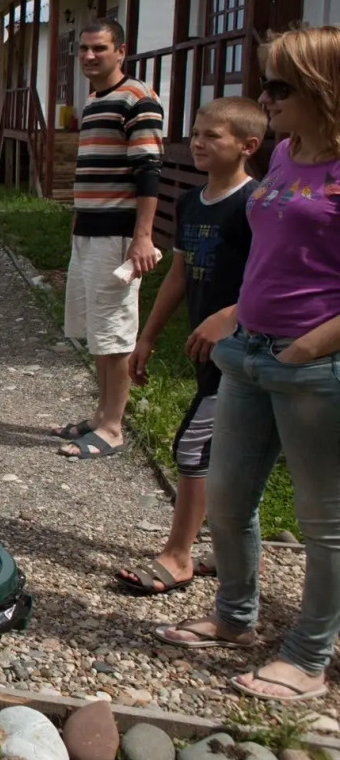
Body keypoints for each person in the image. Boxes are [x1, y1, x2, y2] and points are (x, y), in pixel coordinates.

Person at [155, 25, 340, 703]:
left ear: (325, 89)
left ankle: (308, 657)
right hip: (249, 352)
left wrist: (310, 346)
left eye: (280, 86)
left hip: (312, 369)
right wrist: (236, 315)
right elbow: (269, 257)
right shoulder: (287, 157)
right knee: (228, 499)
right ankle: (235, 617)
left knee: (325, 523)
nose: (266, 98)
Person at [117, 97, 263, 595]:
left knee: (193, 449)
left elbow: (274, 280)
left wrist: (236, 315)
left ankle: (179, 556)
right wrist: (148, 336)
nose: (199, 142)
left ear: (248, 146)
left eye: (212, 136)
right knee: (230, 458)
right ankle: (230, 552)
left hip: (247, 352)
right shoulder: (191, 202)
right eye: (196, 133)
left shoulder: (256, 205)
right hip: (205, 353)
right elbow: (179, 273)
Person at [55, 17, 166, 458]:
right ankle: (100, 416)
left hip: (117, 235)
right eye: (83, 49)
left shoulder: (137, 98)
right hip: (89, 229)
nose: (88, 56)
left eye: (99, 48)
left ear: (122, 51)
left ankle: (114, 427)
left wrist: (143, 236)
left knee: (116, 332)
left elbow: (149, 171)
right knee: (96, 330)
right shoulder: (95, 100)